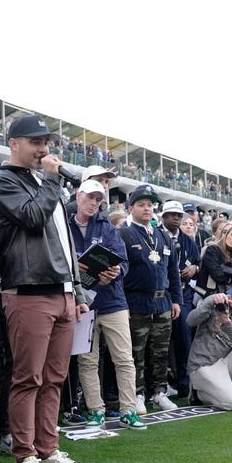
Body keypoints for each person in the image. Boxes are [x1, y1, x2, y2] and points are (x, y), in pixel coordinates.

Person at [0, 115, 93, 463]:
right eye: (34, 141)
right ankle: (24, 457)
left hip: (61, 292)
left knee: (55, 379)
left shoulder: (44, 184)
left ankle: (48, 450)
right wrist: (51, 179)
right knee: (27, 378)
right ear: (14, 143)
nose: (43, 148)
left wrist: (76, 291)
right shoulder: (1, 180)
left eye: (45, 141)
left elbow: (64, 244)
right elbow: (31, 218)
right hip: (27, 291)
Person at [68, 180, 145, 430]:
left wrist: (114, 272)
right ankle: (95, 411)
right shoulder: (65, 225)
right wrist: (74, 268)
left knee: (123, 358)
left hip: (113, 301)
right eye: (90, 197)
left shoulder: (108, 227)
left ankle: (128, 410)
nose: (93, 203)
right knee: (87, 361)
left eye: (98, 199)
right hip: (83, 304)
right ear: (78, 196)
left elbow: (123, 262)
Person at [120, 185, 181, 413]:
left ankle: (159, 392)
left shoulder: (162, 235)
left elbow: (172, 271)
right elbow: (120, 273)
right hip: (136, 302)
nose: (147, 209)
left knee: (160, 351)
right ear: (131, 207)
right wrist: (123, 303)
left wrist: (176, 299)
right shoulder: (124, 234)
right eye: (142, 205)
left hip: (162, 302)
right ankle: (137, 394)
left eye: (150, 205)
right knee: (136, 352)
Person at [187, 278, 232, 410]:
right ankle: (197, 393)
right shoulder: (216, 302)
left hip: (222, 364)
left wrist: (226, 323)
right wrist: (209, 303)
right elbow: (190, 321)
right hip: (201, 364)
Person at [159, 200, 201, 397]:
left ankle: (184, 383)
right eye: (172, 215)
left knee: (184, 338)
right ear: (163, 216)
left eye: (179, 215)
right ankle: (158, 385)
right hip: (160, 294)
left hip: (182, 294)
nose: (176, 218)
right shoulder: (155, 235)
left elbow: (198, 262)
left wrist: (195, 267)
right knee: (158, 342)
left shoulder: (187, 240)